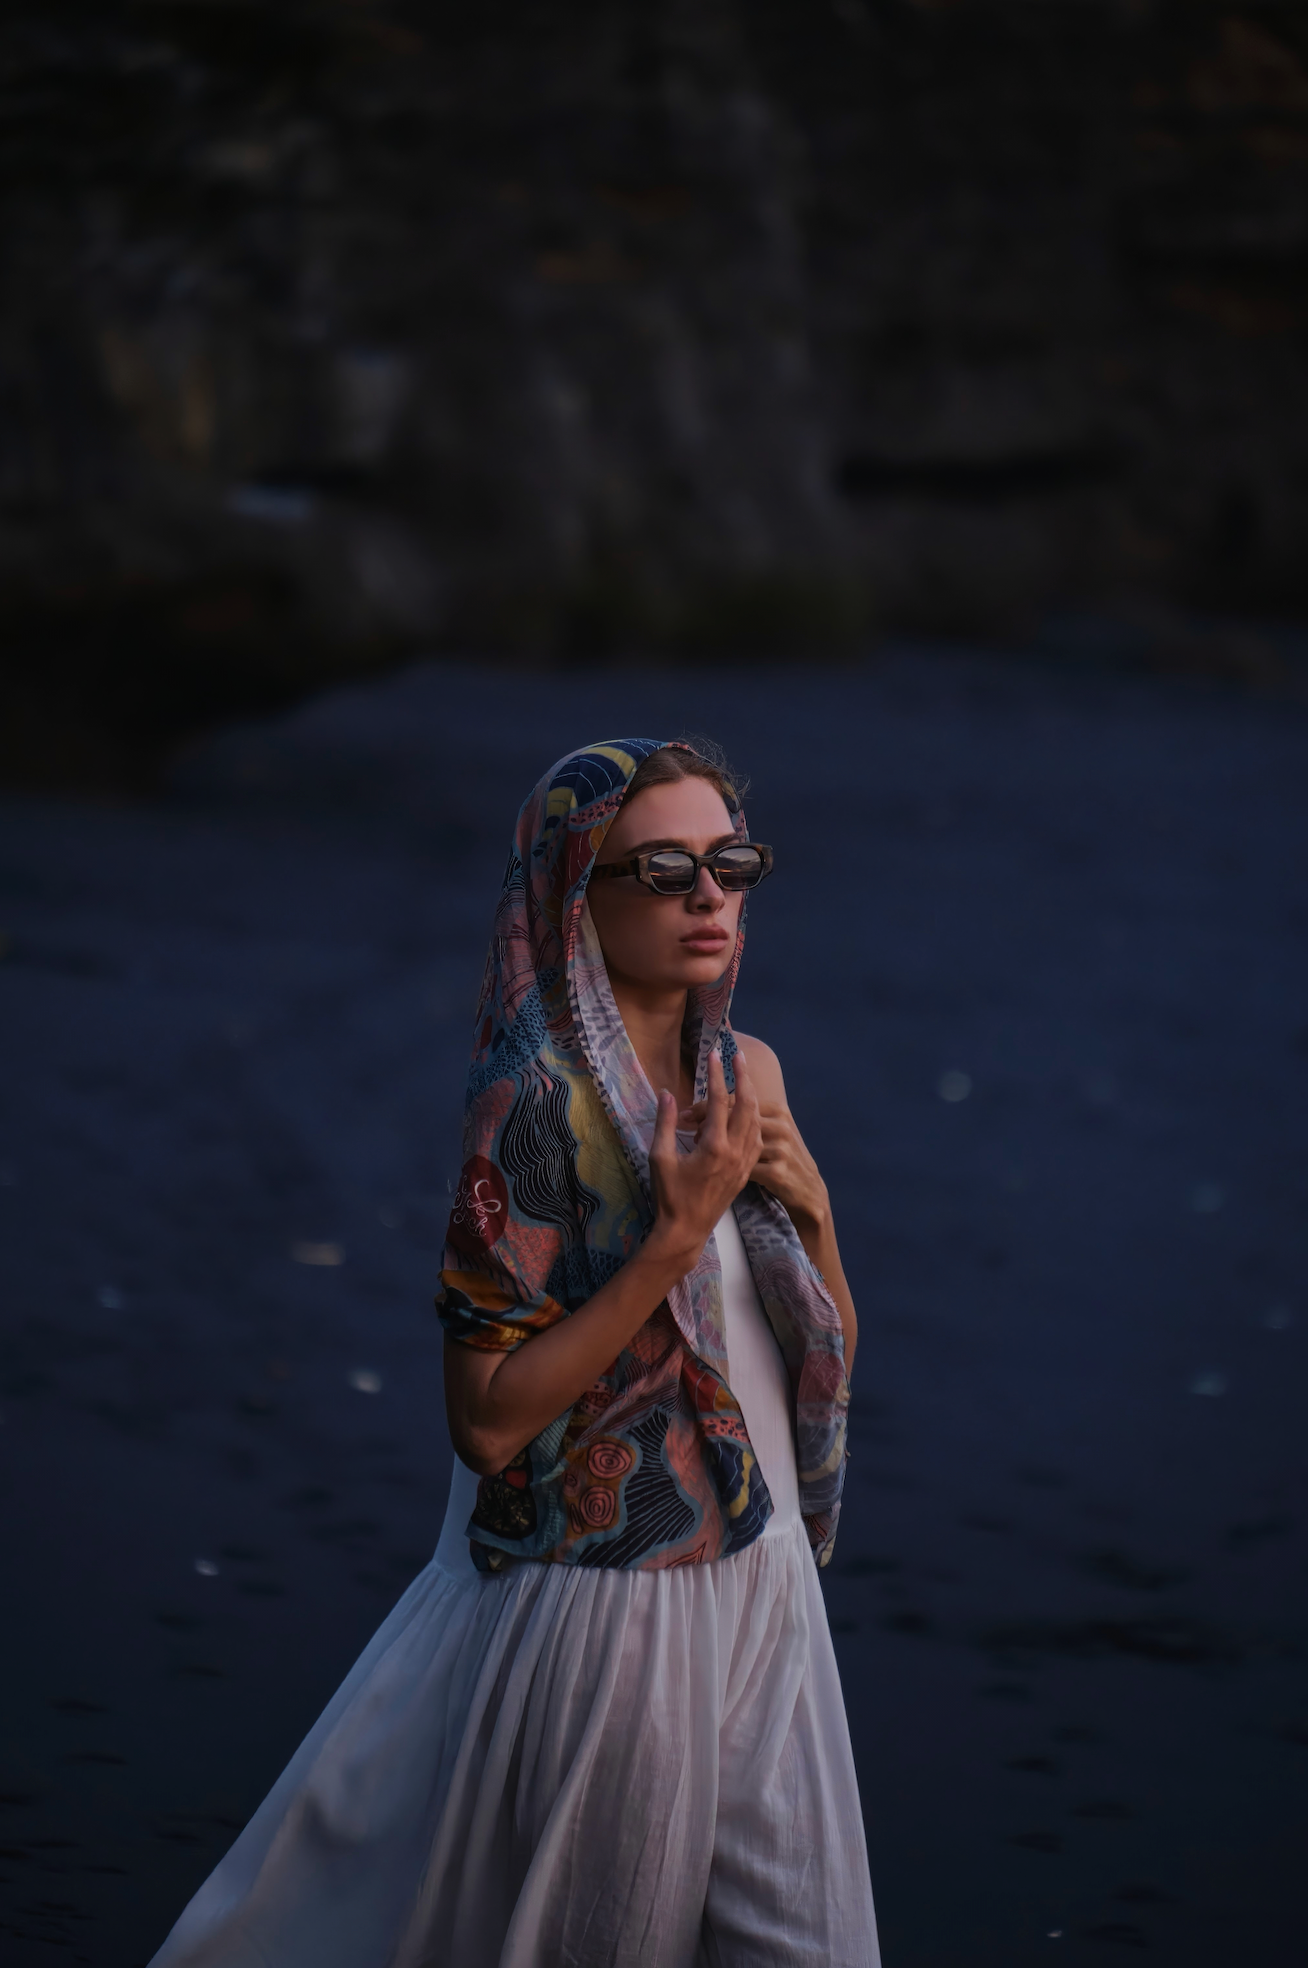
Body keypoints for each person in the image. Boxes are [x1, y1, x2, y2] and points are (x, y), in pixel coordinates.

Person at [149, 736, 880, 1968]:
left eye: (732, 863)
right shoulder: (532, 1104)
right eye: (666, 870)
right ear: (573, 893)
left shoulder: (744, 1071)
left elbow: (818, 1350)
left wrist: (815, 1218)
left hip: (764, 1576)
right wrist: (672, 1238)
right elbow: (486, 1422)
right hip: (620, 1606)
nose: (710, 897)